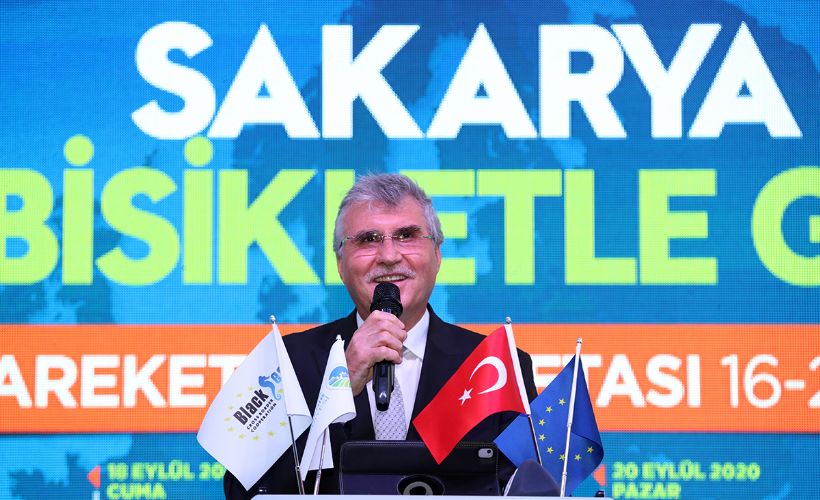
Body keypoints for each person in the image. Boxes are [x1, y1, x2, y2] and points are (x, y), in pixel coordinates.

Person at [224, 173, 537, 498]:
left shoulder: (497, 366)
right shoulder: (285, 362)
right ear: (340, 263)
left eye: (407, 236)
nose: (389, 256)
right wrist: (339, 387)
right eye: (368, 240)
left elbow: (526, 490)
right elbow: (244, 492)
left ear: (437, 254)